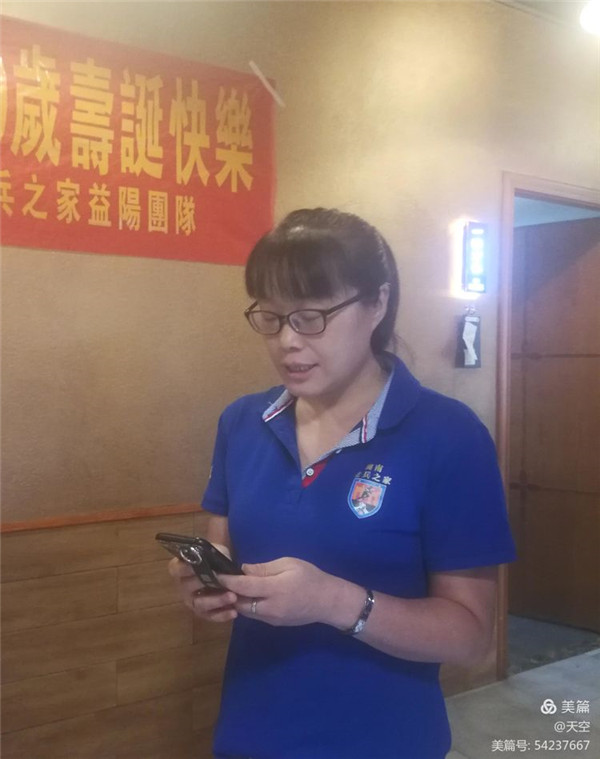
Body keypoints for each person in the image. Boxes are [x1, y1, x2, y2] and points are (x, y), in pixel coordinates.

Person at [168, 208, 517, 759]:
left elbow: (472, 637)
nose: (287, 340)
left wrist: (334, 601)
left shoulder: (449, 436)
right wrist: (206, 583)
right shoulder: (242, 422)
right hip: (250, 733)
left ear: (377, 303)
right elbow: (223, 546)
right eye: (270, 317)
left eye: (311, 317)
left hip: (386, 742)